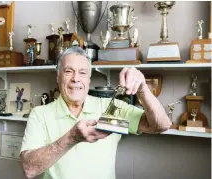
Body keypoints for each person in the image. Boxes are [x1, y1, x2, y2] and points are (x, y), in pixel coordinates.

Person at [20, 46, 171, 179]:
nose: (76, 79)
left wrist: (142, 89)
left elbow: (160, 125)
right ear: (58, 77)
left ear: (89, 79)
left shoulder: (111, 109)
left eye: (83, 72)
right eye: (68, 71)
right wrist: (72, 138)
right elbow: (30, 169)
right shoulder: (40, 114)